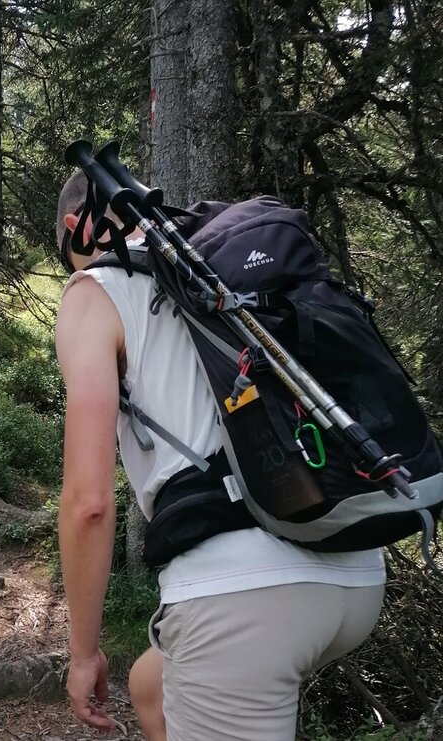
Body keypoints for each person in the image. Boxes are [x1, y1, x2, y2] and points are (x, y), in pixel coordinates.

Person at [53, 170, 387, 740]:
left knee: (228, 662)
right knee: (150, 685)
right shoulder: (215, 275)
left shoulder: (94, 292)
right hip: (355, 568)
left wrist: (83, 653)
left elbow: (89, 502)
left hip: (242, 591)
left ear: (72, 228)